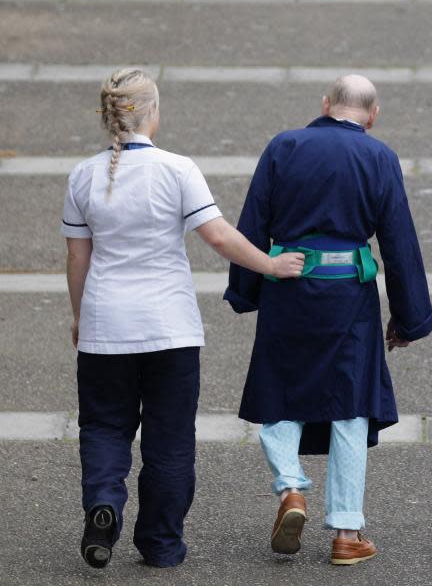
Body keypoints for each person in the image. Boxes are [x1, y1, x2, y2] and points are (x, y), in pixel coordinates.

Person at [62, 68, 304, 570]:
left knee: (104, 428)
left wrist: (80, 315)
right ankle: (161, 544)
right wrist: (271, 265)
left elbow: (78, 258)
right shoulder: (176, 169)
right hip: (169, 329)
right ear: (152, 112)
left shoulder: (82, 175)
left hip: (106, 328)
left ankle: (104, 504)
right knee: (169, 440)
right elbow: (217, 236)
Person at [224, 74, 432, 566]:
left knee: (280, 391)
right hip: (349, 298)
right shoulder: (379, 157)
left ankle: (292, 488)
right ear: (373, 114)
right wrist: (408, 318)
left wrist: (244, 290)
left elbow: (253, 220)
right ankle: (345, 532)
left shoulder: (284, 146)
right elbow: (399, 241)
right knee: (350, 405)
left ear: (325, 105)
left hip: (288, 286)